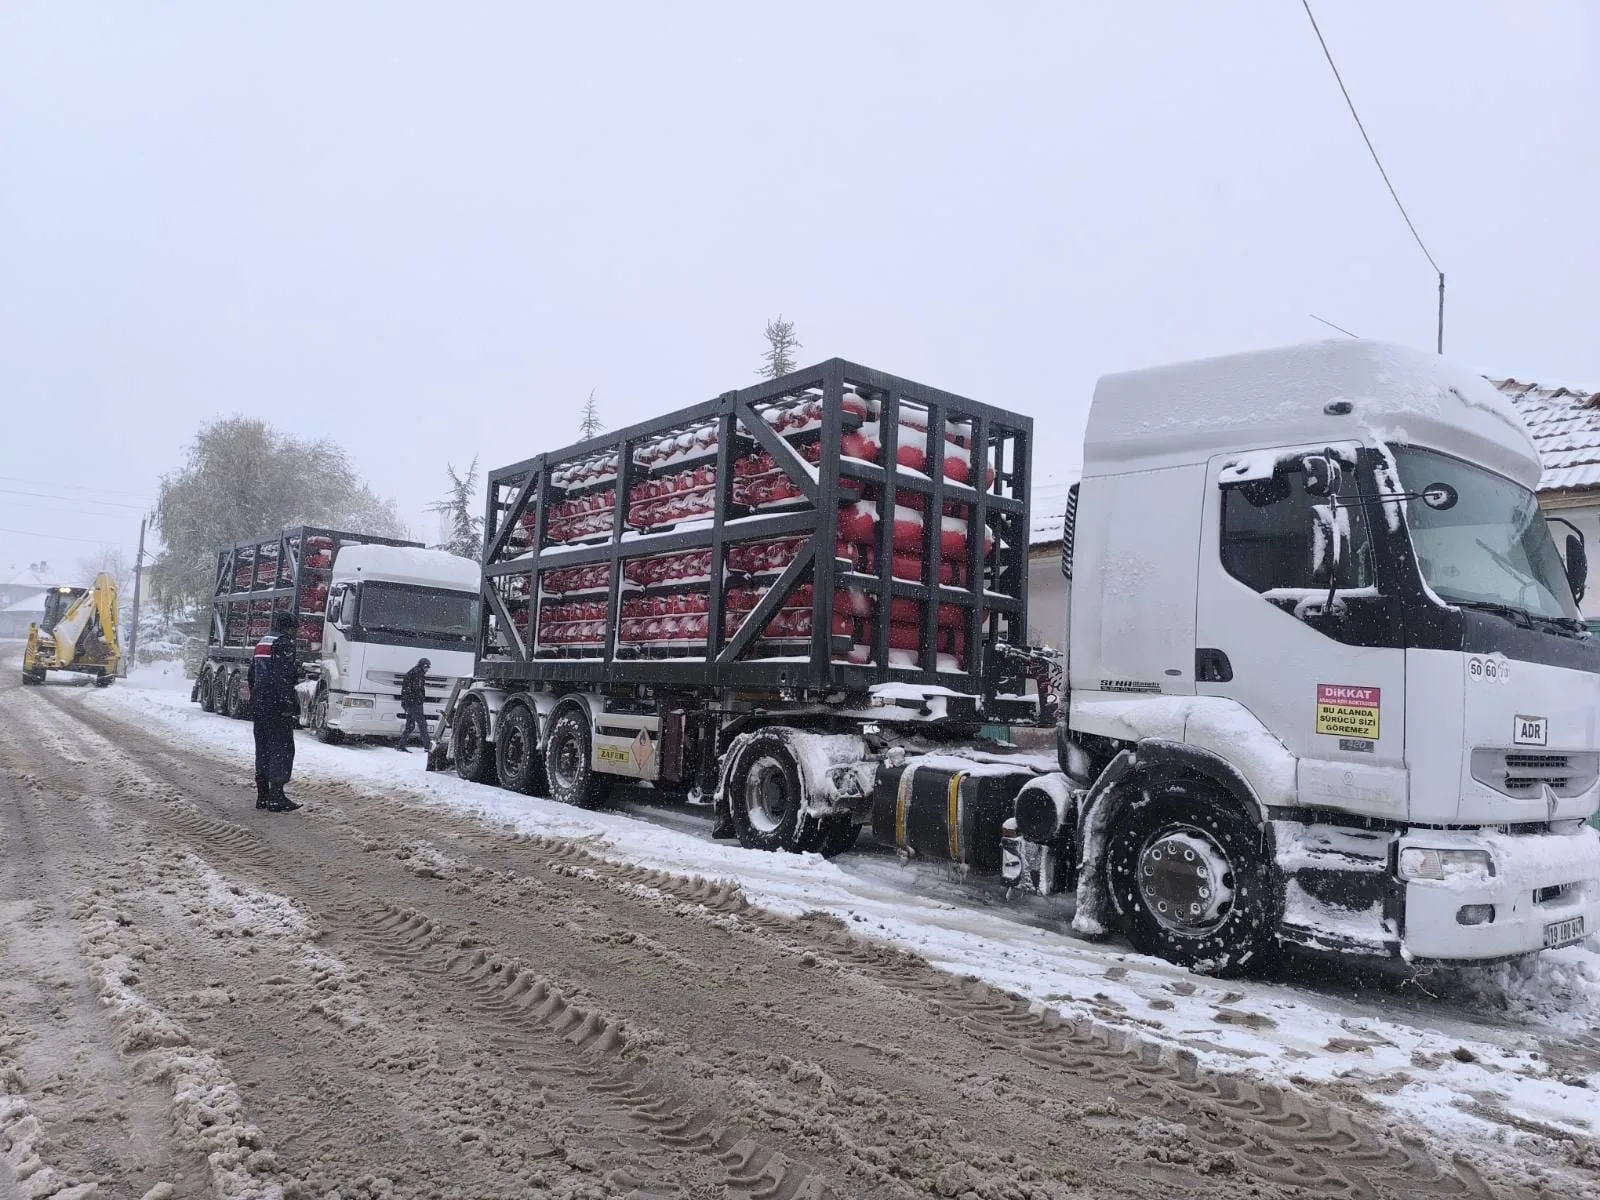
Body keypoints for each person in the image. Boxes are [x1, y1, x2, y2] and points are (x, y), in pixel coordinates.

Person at [250, 611, 302, 812]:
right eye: (293, 629)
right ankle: (277, 796)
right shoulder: (283, 643)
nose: (294, 633)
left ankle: (262, 796)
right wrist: (287, 703)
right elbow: (283, 676)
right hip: (276, 704)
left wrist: (257, 697)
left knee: (262, 748)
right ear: (287, 628)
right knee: (281, 748)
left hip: (260, 703)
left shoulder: (262, 642)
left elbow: (252, 675)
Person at [396, 657, 431, 752]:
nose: (427, 669)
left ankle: (401, 745)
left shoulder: (414, 672)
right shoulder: (417, 674)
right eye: (426, 667)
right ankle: (428, 746)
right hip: (414, 703)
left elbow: (409, 689)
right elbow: (417, 689)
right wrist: (419, 700)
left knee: (410, 726)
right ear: (422, 666)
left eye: (428, 667)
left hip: (409, 703)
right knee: (422, 724)